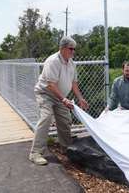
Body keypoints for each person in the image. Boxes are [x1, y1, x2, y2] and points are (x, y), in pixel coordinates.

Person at [29, 36, 89, 165]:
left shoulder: (72, 63)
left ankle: (66, 148)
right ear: (62, 48)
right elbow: (51, 84)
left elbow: (74, 83)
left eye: (74, 49)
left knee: (65, 120)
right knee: (46, 117)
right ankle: (35, 153)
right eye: (71, 49)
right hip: (46, 94)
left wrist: (80, 98)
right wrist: (64, 99)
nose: (73, 52)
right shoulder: (53, 61)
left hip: (60, 96)